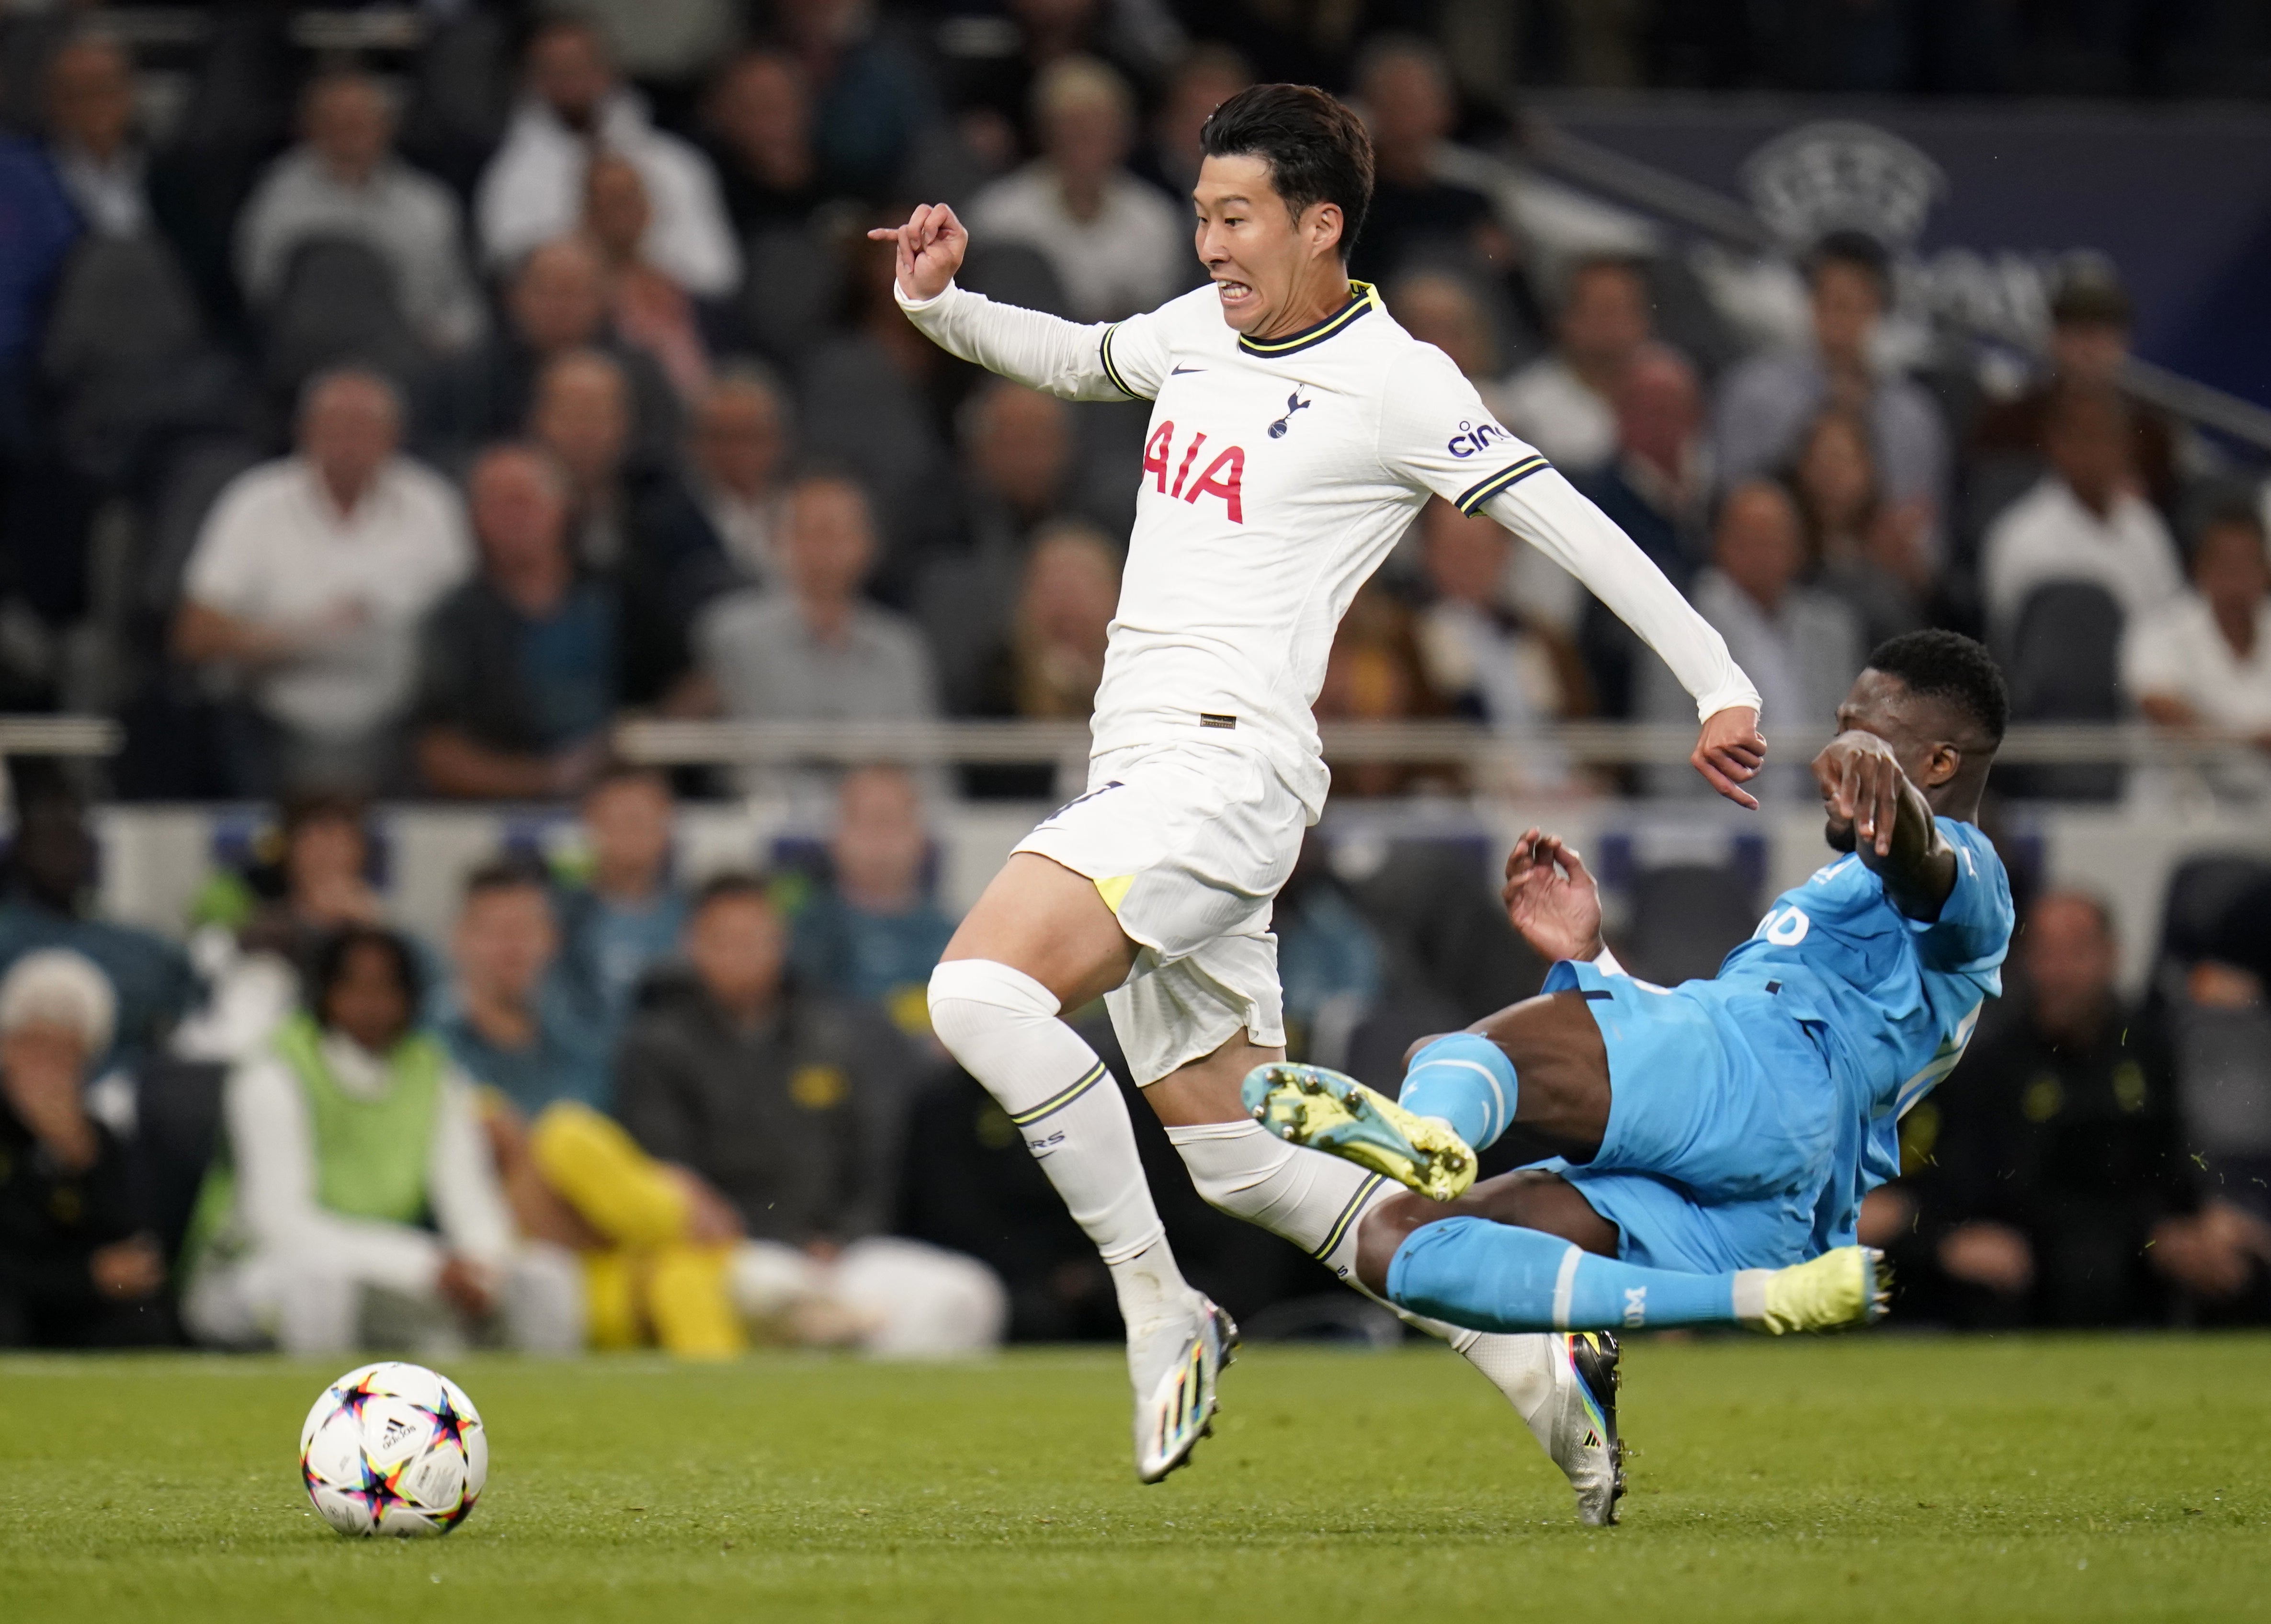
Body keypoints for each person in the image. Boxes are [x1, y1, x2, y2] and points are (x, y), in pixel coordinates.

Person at [871, 79, 1765, 1490]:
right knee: (1233, 1148)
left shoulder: (1395, 381)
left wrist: (1712, 674)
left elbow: (1565, 520)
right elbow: (1079, 353)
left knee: (978, 992)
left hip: (1221, 769)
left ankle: (1159, 1301)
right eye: (1199, 216)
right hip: (1148, 773)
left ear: (1318, 222)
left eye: (1233, 218)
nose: (1209, 243)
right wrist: (943, 306)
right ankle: (1525, 1348)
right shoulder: (1195, 331)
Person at [1251, 633, 2017, 1521]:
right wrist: (1594, 961)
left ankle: (1429, 1131)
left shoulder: (1972, 877)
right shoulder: (1849, 891)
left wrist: (1894, 804)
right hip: (1780, 1196)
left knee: (1459, 1056)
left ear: (1939, 760)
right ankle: (1752, 1298)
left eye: (1865, 731)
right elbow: (1716, 1052)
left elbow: (1929, 869)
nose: (1831, 752)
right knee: (1401, 1247)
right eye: (1840, 727)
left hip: (1770, 1076)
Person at [616, 875, 1008, 1357]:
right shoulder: (659, 1045)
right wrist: (753, 1233)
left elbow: (872, 1160)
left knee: (968, 1294)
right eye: (725, 941)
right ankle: (841, 1333)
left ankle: (863, 1385)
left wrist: (841, 1237)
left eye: (755, 939)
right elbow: (666, 1174)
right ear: (692, 946)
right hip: (731, 1255)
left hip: (836, 1256)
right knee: (772, 1290)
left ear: (779, 942)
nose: (741, 956)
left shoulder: (829, 1034)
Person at [182, 925, 581, 1356]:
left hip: (386, 1276)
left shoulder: (434, 1074)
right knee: (322, 1283)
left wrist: (482, 1271)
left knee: (548, 1276)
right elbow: (281, 1225)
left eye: (388, 988)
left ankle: (537, 1418)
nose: (372, 1004)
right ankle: (317, 1419)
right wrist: (425, 1267)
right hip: (251, 1277)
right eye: (354, 986)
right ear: (325, 992)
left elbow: (472, 1204)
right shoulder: (273, 1071)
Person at [1882, 891, 2266, 1327]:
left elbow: (2171, 1164)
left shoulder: (2145, 1048)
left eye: (2076, 953)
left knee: (2244, 1267)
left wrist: (2206, 1220)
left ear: (2111, 954)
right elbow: (1976, 1185)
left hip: (2142, 1244)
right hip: (2040, 1249)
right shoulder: (1991, 1060)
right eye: (2046, 954)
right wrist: (1948, 1241)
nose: (2059, 972)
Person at [175, 368, 472, 795]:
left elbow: (469, 622)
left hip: (400, 724)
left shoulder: (432, 505)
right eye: (336, 426)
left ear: (394, 436)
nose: (349, 442)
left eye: (364, 428)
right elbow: (195, 632)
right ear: (304, 431)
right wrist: (307, 636)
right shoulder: (255, 502)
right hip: (272, 719)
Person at [690, 472, 940, 797]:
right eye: (812, 533)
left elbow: (928, 769)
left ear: (869, 545)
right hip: (764, 830)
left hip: (879, 833)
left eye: (839, 533)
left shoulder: (901, 647)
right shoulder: (733, 635)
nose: (825, 549)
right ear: (776, 540)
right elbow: (744, 767)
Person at [1712, 231, 1948, 559]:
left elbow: (1927, 541)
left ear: (1878, 308)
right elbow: (1727, 507)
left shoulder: (1913, 418)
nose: (1840, 319)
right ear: (1811, 301)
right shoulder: (1754, 391)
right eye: (1832, 300)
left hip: (1871, 582)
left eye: (1855, 303)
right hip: (1775, 572)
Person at [475, 17, 738, 299]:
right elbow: (515, 280)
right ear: (531, 80)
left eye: (581, 64)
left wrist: (644, 280)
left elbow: (718, 273)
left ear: (610, 69)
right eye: (556, 69)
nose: (570, 78)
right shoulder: (511, 179)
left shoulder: (677, 162)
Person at [413, 444, 617, 800]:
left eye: (523, 501)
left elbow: (685, 683)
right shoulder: (455, 619)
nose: (512, 518)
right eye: (496, 504)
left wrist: (631, 742)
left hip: (624, 800)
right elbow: (436, 746)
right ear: (474, 517)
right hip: (500, 807)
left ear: (563, 507)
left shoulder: (619, 594)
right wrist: (548, 778)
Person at [235, 69, 485, 354]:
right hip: (311, 357)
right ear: (309, 127)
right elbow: (261, 294)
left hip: (409, 357)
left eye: (361, 119)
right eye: (336, 121)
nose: (350, 130)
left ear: (388, 126)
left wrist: (449, 339)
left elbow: (462, 305)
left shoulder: (428, 203)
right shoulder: (276, 199)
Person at [1639, 480, 1862, 798]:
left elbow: (1846, 742)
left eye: (1775, 541)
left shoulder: (1831, 630)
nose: (1763, 555)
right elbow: (1665, 764)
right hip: (1717, 822)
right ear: (1720, 544)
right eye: (1750, 540)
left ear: (1799, 548)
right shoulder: (1678, 628)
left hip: (1816, 817)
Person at [0, 950, 169, 1347]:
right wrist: (84, 1277)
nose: (48, 1068)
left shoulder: (99, 1140)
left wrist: (79, 1164)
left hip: (77, 1305)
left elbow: (134, 1249)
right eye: (35, 1048)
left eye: (65, 1054)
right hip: (21, 1296)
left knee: (146, 1322)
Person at [419, 236, 680, 469]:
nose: (561, 307)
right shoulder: (468, 377)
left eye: (575, 293)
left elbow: (667, 453)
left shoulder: (640, 373)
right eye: (546, 291)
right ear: (513, 297)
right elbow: (440, 455)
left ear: (604, 301)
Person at [967, 56, 1187, 324]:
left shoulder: (1156, 220)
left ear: (1124, 136)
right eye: (1072, 127)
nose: (1086, 139)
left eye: (1099, 128)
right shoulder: (998, 216)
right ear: (1045, 133)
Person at [0, 776, 194, 1070]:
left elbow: (192, 1016)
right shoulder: (8, 938)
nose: (65, 855)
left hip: (121, 1097)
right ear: (23, 851)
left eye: (73, 840)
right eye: (50, 840)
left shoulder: (145, 950)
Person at [1972, 260, 2181, 511]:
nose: (2088, 350)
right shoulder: (2008, 424)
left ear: (2124, 343)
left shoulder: (2151, 433)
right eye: (2078, 333)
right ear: (2053, 339)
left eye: (2101, 334)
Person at [1981, 386, 2183, 638]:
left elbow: (2173, 624)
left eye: (2110, 438)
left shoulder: (2146, 525)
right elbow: (2013, 647)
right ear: (2056, 444)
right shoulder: (2021, 535)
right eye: (2086, 437)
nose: (2099, 452)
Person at [791, 765, 957, 1035]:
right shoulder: (802, 937)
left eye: (892, 821)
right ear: (836, 837)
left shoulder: (957, 939)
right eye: (865, 821)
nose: (879, 839)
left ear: (922, 838)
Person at [439, 858, 610, 1117]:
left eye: (524, 930)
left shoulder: (584, 1046)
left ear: (553, 939)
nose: (511, 948)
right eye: (493, 931)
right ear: (459, 939)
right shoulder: (422, 1043)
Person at [2123, 506, 2271, 799]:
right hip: (2176, 809)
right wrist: (2249, 740)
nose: (2238, 581)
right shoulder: (2160, 629)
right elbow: (2159, 705)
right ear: (2201, 569)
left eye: (2248, 565)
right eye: (2227, 566)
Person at [555, 765, 691, 1038]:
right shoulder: (558, 919)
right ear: (591, 827)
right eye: (619, 821)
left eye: (642, 820)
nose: (632, 833)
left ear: (668, 828)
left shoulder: (700, 917)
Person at [1786, 406, 1932, 651]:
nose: (1831, 475)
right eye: (1821, 460)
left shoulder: (1894, 549)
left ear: (1870, 468)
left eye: (1842, 460)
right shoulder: (1788, 549)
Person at [1498, 257, 1654, 479]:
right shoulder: (1525, 404)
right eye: (1605, 311)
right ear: (1566, 319)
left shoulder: (1673, 387)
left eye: (1629, 309)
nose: (1618, 325)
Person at [581, 152, 709, 403]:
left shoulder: (673, 285)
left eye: (631, 198)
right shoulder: (586, 294)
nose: (623, 212)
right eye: (612, 201)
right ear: (589, 211)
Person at [702, 50, 829, 233]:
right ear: (721, 115)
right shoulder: (709, 194)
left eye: (780, 105)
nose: (772, 121)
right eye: (753, 108)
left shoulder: (848, 180)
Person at [688, 367, 792, 587]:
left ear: (778, 441)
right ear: (697, 444)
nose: (737, 451)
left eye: (750, 435)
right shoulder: (672, 523)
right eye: (722, 437)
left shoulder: (799, 510)